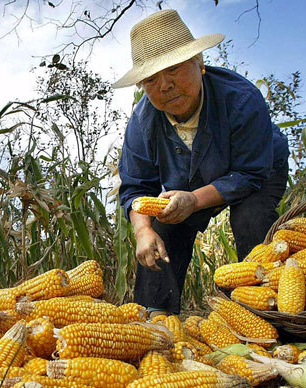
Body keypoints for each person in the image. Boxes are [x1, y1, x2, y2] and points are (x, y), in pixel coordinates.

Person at [113, 9, 290, 317]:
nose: (165, 85)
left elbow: (249, 174)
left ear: (200, 64)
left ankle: (268, 312)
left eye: (173, 70)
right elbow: (136, 187)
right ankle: (156, 316)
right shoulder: (143, 123)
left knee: (252, 217)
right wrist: (143, 231)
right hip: (189, 179)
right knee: (164, 226)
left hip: (257, 167)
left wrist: (194, 199)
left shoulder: (242, 99)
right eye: (151, 79)